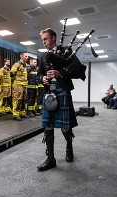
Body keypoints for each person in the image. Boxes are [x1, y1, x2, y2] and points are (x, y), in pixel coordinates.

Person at [37, 28, 85, 171]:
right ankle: (51, 158)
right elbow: (38, 74)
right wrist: (42, 78)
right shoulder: (43, 56)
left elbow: (77, 68)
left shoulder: (66, 52)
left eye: (45, 39)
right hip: (48, 93)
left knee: (65, 127)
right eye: (42, 40)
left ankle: (69, 147)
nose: (44, 42)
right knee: (48, 125)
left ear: (53, 38)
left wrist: (60, 72)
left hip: (62, 90)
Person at [10, 52, 29, 121]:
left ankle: (22, 112)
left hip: (24, 85)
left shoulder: (26, 65)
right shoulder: (17, 64)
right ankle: (15, 114)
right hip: (18, 85)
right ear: (21, 57)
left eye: (27, 56)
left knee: (23, 99)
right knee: (17, 99)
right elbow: (11, 73)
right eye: (26, 56)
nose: (27, 57)